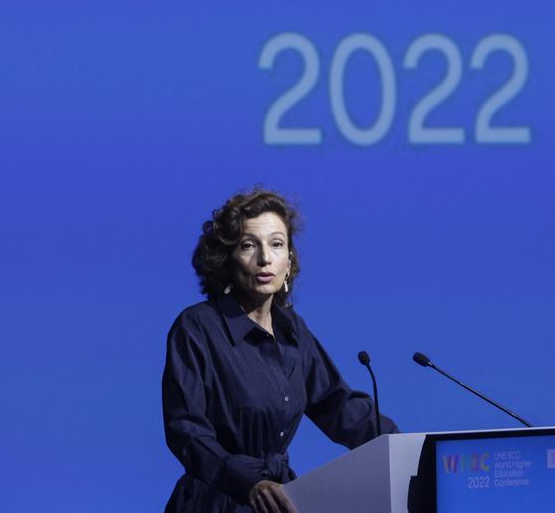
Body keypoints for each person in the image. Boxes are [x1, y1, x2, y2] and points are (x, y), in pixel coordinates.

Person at [163, 188, 398, 513]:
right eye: (248, 245)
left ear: (289, 261)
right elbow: (187, 433)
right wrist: (249, 484)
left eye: (276, 244)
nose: (264, 258)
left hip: (281, 500)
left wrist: (401, 447)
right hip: (216, 500)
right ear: (226, 260)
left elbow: (338, 405)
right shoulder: (197, 328)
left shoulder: (293, 330)